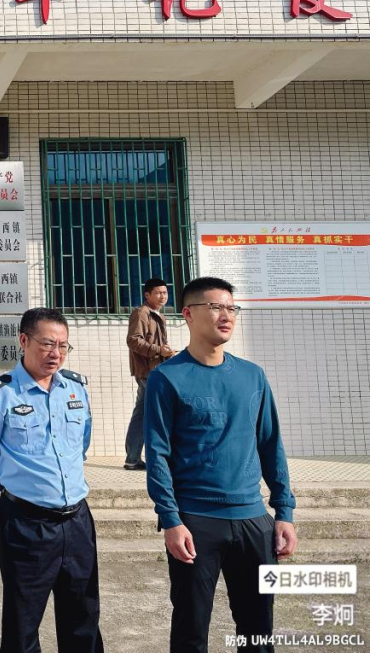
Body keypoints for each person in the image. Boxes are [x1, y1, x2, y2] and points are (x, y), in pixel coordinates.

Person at [144, 276, 297, 653]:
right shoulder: (166, 377)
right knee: (191, 629)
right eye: (215, 307)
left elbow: (270, 445)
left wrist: (284, 512)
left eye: (231, 308)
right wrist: (171, 520)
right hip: (196, 522)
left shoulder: (252, 375)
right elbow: (157, 455)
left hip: (253, 521)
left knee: (258, 629)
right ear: (188, 314)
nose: (226, 315)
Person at [0, 307, 103, 653]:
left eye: (62, 345)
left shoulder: (75, 389)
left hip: (77, 521)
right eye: (46, 344)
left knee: (84, 613)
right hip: (26, 524)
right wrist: (20, 487)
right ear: (24, 341)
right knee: (23, 618)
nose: (55, 353)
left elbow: (81, 443)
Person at [124, 278, 176, 470]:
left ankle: (133, 458)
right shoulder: (141, 313)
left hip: (155, 370)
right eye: (158, 293)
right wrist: (158, 350)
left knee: (142, 414)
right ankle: (155, 457)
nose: (163, 296)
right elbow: (133, 340)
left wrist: (166, 352)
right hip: (147, 372)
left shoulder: (157, 315)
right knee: (154, 414)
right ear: (147, 295)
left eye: (165, 292)